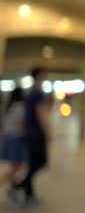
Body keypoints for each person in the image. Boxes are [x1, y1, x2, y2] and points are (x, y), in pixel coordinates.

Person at [8, 68, 50, 207]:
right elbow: (41, 115)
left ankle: (28, 196)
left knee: (33, 163)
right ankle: (18, 187)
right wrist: (47, 132)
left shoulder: (30, 92)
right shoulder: (37, 93)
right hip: (36, 134)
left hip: (30, 133)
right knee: (40, 162)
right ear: (39, 75)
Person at [0, 87, 27, 188]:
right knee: (18, 164)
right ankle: (6, 182)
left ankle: (12, 186)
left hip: (8, 137)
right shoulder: (20, 107)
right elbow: (20, 125)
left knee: (14, 165)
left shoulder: (8, 106)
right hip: (16, 138)